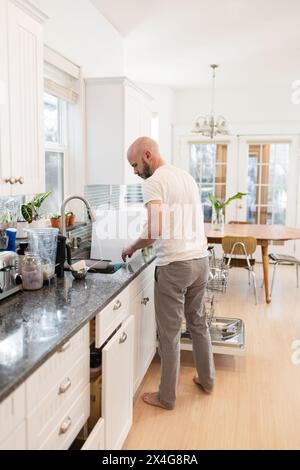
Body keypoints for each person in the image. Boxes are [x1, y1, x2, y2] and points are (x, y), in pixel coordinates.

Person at [122, 137, 215, 410]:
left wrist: (131, 246)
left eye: (135, 164)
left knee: (170, 334)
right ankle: (207, 379)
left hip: (175, 266)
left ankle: (166, 397)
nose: (135, 171)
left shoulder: (153, 182)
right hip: (200, 260)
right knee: (198, 324)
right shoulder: (185, 176)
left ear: (147, 155)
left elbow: (154, 231)